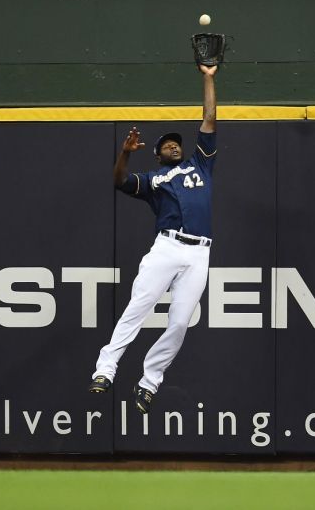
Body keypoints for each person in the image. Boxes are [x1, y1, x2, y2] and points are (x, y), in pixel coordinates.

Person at [88, 64, 218, 414]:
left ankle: (149, 382)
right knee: (138, 308)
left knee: (179, 323)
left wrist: (209, 77)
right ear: (157, 154)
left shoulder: (200, 165)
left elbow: (209, 117)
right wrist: (125, 152)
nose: (174, 146)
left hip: (199, 254)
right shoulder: (153, 180)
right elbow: (119, 181)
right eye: (167, 145)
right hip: (168, 247)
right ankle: (105, 369)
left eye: (176, 143)